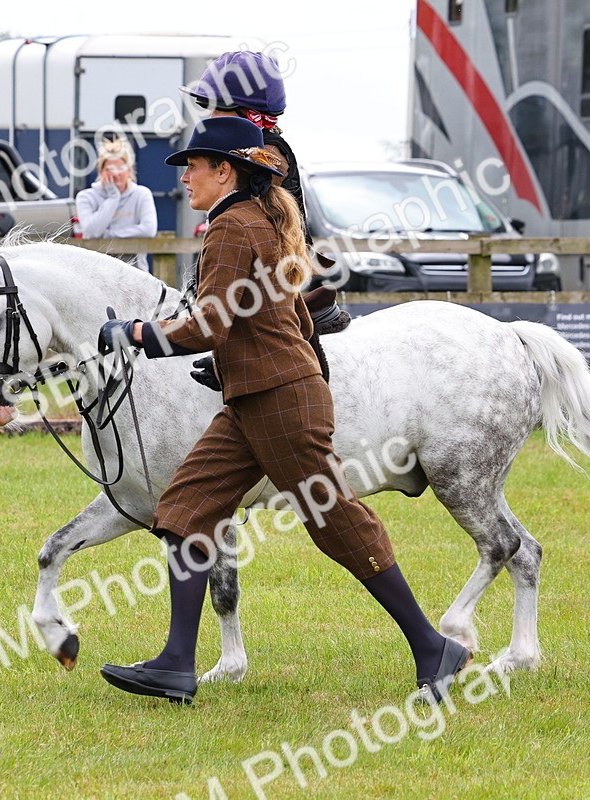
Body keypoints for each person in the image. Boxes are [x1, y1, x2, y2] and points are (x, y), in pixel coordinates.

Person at [96, 116, 470, 705]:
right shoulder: (256, 221)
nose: (184, 177)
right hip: (262, 396)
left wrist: (142, 333)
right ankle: (175, 663)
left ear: (226, 171)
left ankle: (432, 647)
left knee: (336, 521)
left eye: (193, 166)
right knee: (186, 505)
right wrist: (254, 369)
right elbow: (288, 316)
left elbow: (212, 321)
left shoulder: (229, 229)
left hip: (276, 401)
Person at [181, 50, 345, 383]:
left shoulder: (265, 155)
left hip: (278, 276)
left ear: (247, 114)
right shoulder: (242, 148)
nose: (209, 115)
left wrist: (233, 358)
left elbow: (253, 231)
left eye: (216, 108)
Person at [75, 137, 158, 270]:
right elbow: (91, 232)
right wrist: (113, 197)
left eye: (120, 168)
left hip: (135, 272)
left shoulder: (142, 194)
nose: (115, 174)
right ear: (101, 172)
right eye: (110, 169)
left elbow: (148, 229)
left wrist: (110, 235)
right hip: (97, 271)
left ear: (129, 170)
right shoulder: (85, 197)